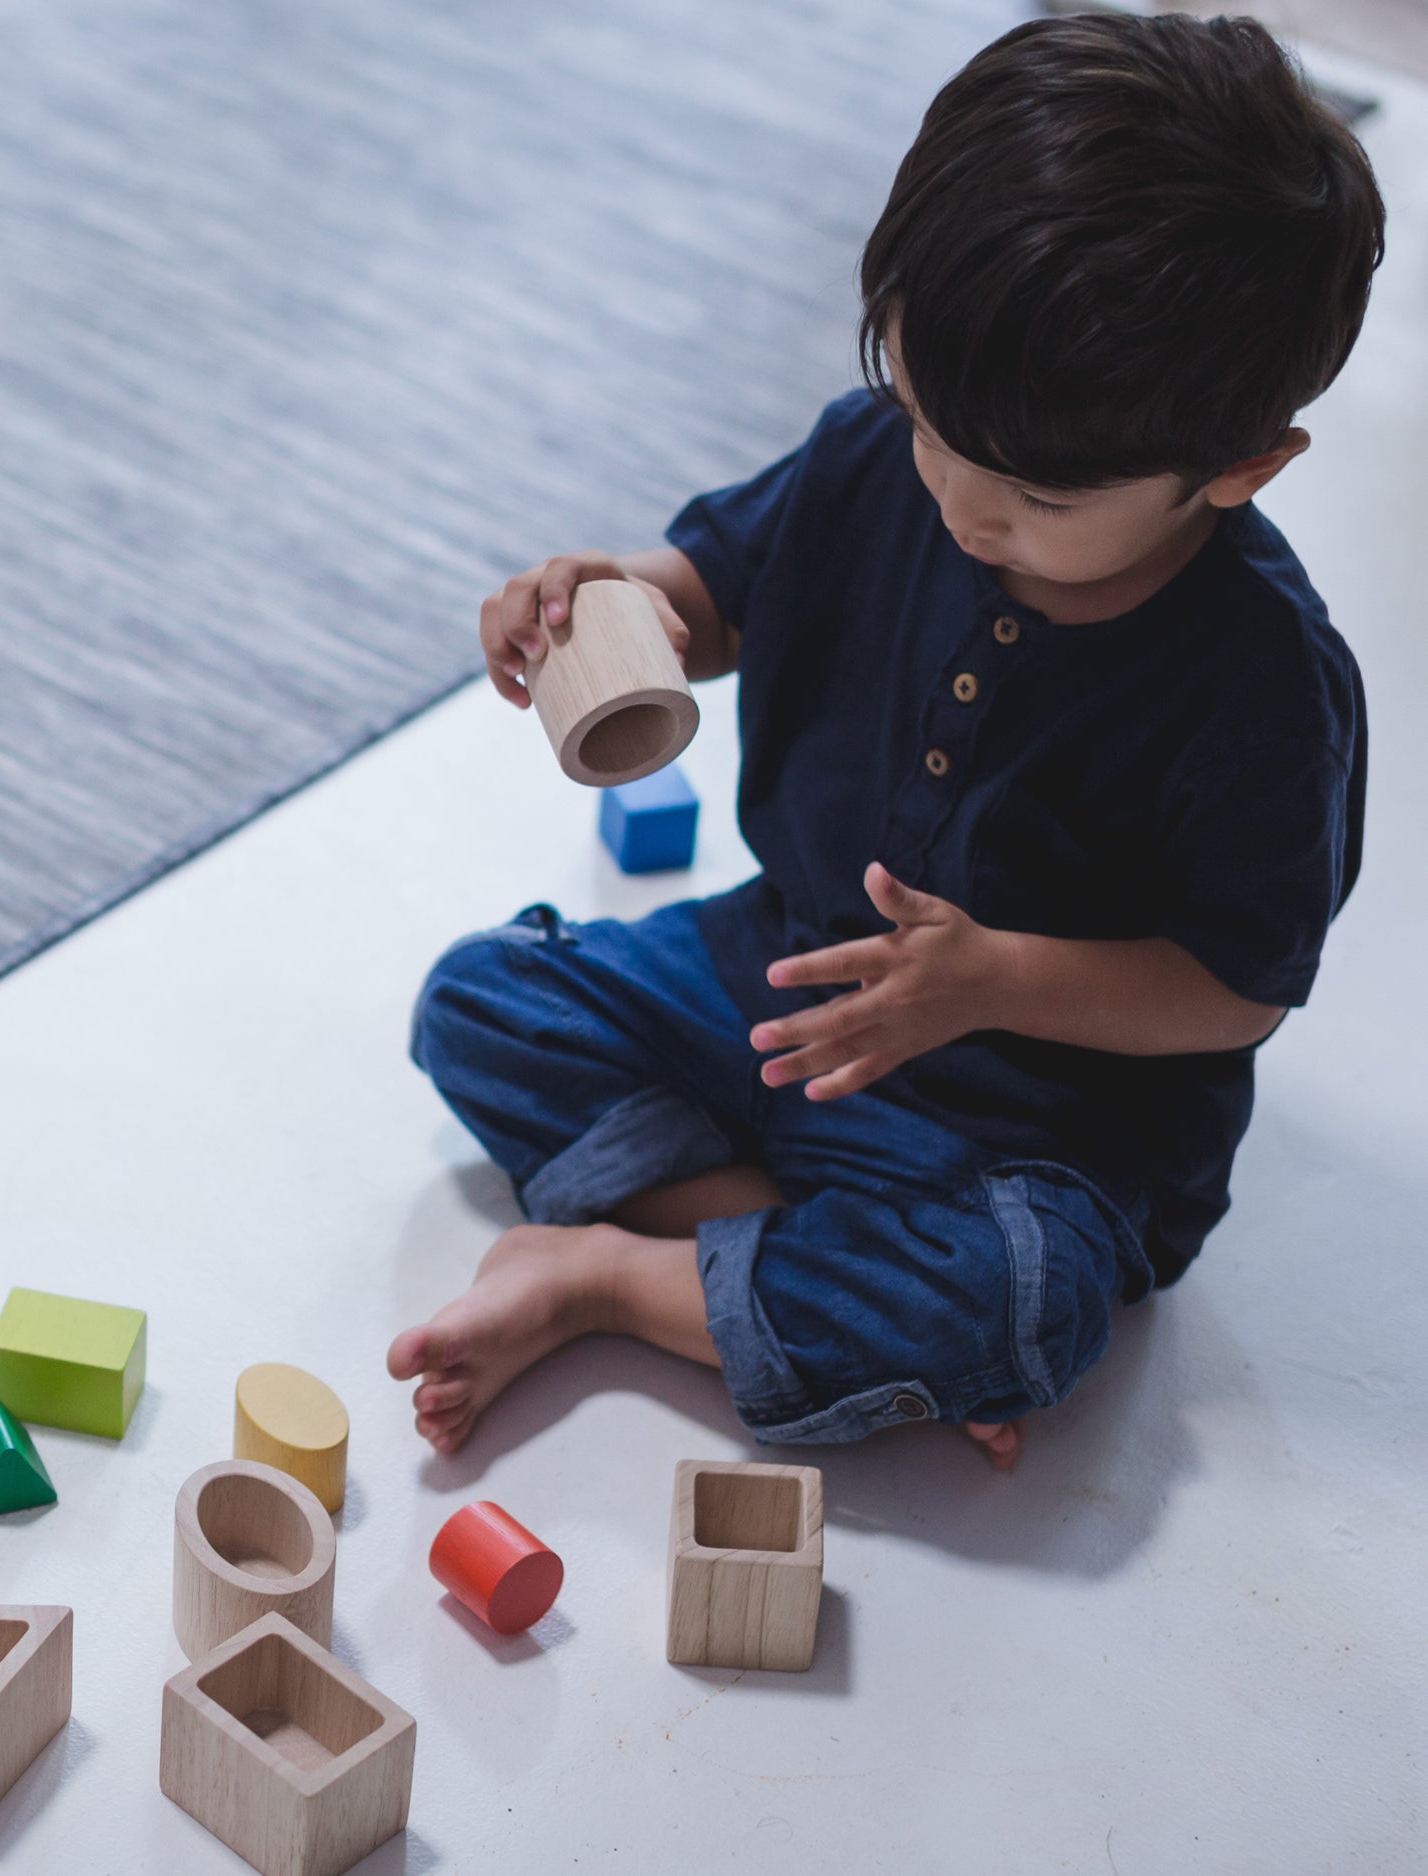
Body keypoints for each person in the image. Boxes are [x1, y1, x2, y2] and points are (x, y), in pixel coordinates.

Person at [387, 12, 1383, 1470]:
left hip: (1031, 1127)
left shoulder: (1259, 687)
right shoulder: (877, 460)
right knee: (480, 1004)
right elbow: (717, 590)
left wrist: (984, 983)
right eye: (927, 425)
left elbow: (1233, 990)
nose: (962, 509)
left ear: (1234, 468)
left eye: (1036, 501)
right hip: (779, 975)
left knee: (1028, 1307)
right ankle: (788, 1274)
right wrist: (605, 607)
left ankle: (617, 1274)